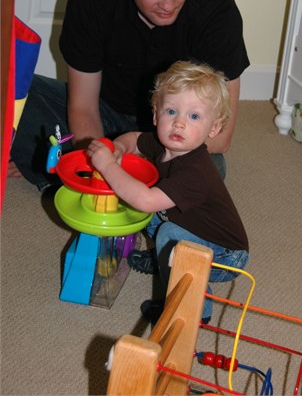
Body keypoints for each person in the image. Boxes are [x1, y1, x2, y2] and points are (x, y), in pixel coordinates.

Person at [9, 0, 250, 189]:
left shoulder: (217, 12)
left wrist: (134, 148)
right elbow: (83, 107)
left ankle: (56, 166)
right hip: (105, 111)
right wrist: (103, 160)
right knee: (9, 88)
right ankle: (93, 175)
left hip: (176, 130)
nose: (168, 3)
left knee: (210, 167)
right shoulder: (91, 0)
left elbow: (221, 137)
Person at [87, 60, 249, 324]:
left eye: (194, 116)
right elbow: (134, 139)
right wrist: (118, 149)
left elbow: (146, 200)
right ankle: (167, 259)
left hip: (225, 256)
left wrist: (107, 165)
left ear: (214, 128)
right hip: (193, 229)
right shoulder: (164, 146)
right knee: (147, 213)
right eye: (171, 111)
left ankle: (193, 309)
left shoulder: (196, 172)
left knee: (163, 227)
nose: (179, 123)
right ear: (155, 115)